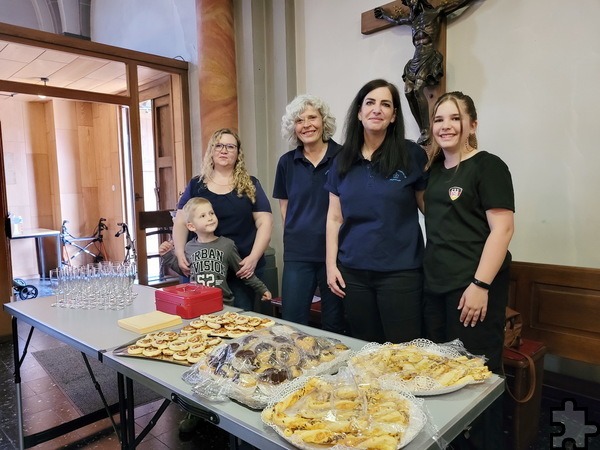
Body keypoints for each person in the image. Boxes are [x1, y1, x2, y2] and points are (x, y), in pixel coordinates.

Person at [422, 91, 514, 449]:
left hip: (473, 289)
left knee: (479, 376)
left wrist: (479, 284)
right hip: (436, 286)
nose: (446, 125)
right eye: (439, 119)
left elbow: (502, 229)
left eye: (455, 118)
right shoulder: (432, 172)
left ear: (472, 124)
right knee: (442, 374)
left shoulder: (488, 166)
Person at [325, 79, 428, 344]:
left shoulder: (411, 154)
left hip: (401, 272)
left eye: (385, 104)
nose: (377, 109)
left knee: (404, 352)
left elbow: (429, 208)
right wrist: (330, 266)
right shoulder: (341, 160)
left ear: (394, 116)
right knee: (364, 348)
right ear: (359, 112)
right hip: (354, 272)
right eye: (370, 103)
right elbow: (335, 217)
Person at [172, 128, 273, 311]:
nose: (224, 150)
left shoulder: (251, 184)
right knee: (197, 323)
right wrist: (179, 252)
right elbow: (180, 221)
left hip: (241, 269)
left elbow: (265, 222)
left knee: (239, 324)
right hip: (202, 269)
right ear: (211, 150)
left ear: (238, 153)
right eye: (218, 145)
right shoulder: (196, 184)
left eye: (230, 146)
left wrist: (253, 258)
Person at [273, 94, 346, 334]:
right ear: (293, 127)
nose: (307, 125)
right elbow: (285, 207)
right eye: (299, 120)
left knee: (336, 323)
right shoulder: (286, 163)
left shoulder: (344, 157)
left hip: (337, 255)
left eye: (312, 117)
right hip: (298, 255)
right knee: (293, 322)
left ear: (323, 121)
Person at [374, 0, 474, 144]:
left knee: (418, 88)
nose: (410, 4)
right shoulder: (412, 19)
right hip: (416, 59)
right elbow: (396, 20)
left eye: (412, 0)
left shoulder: (434, 13)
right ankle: (423, 129)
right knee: (408, 91)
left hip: (429, 56)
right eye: (408, 2)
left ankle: (427, 129)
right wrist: (384, 14)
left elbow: (456, 4)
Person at [161, 197, 272, 304]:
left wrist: (262, 289)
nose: (210, 218)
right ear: (191, 226)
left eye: (211, 213)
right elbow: (185, 271)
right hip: (197, 302)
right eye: (203, 216)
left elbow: (242, 271)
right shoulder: (189, 247)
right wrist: (167, 255)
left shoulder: (227, 245)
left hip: (223, 303)